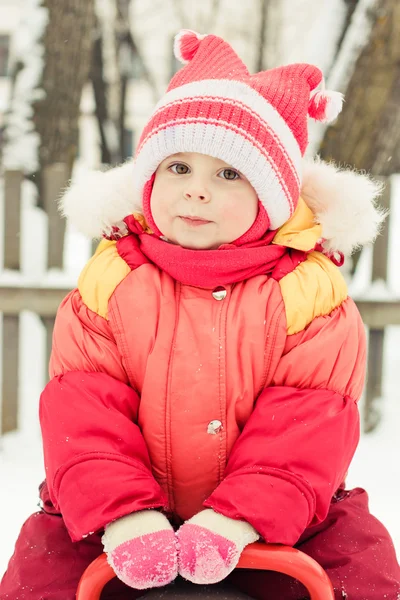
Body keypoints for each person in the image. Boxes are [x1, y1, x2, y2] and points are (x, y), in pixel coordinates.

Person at [1, 29, 399, 600]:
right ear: (149, 178)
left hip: (286, 515)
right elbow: (84, 407)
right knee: (39, 575)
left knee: (363, 571)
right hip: (114, 513)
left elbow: (308, 420)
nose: (196, 193)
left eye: (229, 174)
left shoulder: (308, 291)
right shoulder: (112, 281)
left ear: (272, 199)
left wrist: (237, 519)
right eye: (179, 168)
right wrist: (125, 515)